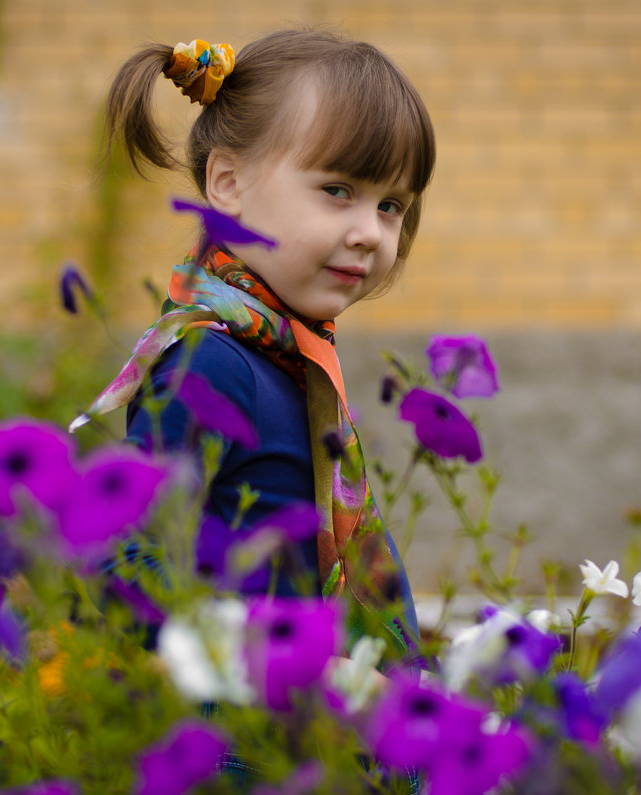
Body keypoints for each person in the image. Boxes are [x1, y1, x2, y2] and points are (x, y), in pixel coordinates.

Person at [79, 29, 435, 666]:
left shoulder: (292, 361)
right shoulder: (213, 364)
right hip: (243, 744)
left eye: (391, 205)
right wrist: (290, 664)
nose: (369, 233)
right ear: (227, 183)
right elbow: (124, 558)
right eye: (337, 190)